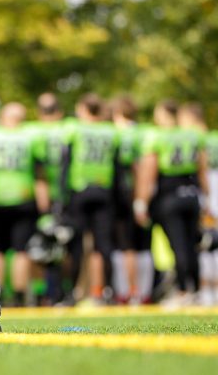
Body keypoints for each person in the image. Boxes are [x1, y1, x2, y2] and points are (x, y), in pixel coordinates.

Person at [135, 100, 208, 307]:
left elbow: (148, 174)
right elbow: (203, 169)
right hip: (191, 194)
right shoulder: (193, 136)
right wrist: (207, 198)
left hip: (169, 195)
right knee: (192, 244)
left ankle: (184, 290)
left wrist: (141, 203)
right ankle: (197, 290)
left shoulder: (156, 137)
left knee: (178, 245)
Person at [0, 102, 49, 306]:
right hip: (24, 197)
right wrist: (44, 201)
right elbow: (40, 172)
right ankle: (18, 296)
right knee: (21, 250)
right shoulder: (32, 137)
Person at [62, 94, 120, 305]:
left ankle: (72, 294)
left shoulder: (74, 128)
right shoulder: (110, 131)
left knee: (76, 245)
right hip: (104, 191)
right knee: (103, 245)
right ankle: (106, 291)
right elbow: (118, 167)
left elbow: (65, 163)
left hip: (80, 190)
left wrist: (62, 197)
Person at [179, 102, 218, 306]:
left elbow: (201, 173)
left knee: (205, 246)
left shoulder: (195, 140)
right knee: (216, 245)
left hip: (205, 198)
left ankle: (210, 291)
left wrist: (207, 199)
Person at [24, 93, 75, 304]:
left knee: (37, 247)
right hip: (67, 195)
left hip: (38, 197)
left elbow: (38, 170)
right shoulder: (69, 128)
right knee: (65, 247)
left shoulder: (31, 131)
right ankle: (65, 291)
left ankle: (42, 293)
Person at [110, 96, 153, 304]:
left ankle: (130, 291)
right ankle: (142, 291)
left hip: (123, 193)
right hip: (145, 193)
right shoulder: (145, 132)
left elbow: (138, 167)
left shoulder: (116, 133)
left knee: (125, 245)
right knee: (143, 246)